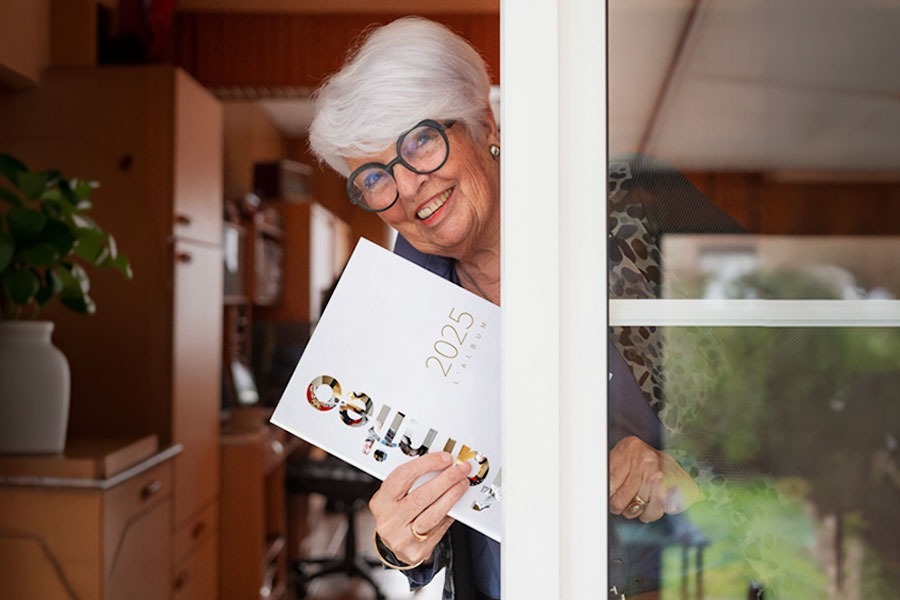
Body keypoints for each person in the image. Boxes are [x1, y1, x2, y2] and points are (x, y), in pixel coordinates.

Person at [308, 16, 725, 600]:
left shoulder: (635, 205)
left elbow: (787, 400)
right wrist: (398, 545)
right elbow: (420, 517)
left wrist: (684, 477)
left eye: (420, 141)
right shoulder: (403, 291)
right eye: (374, 176)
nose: (406, 190)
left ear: (484, 123)